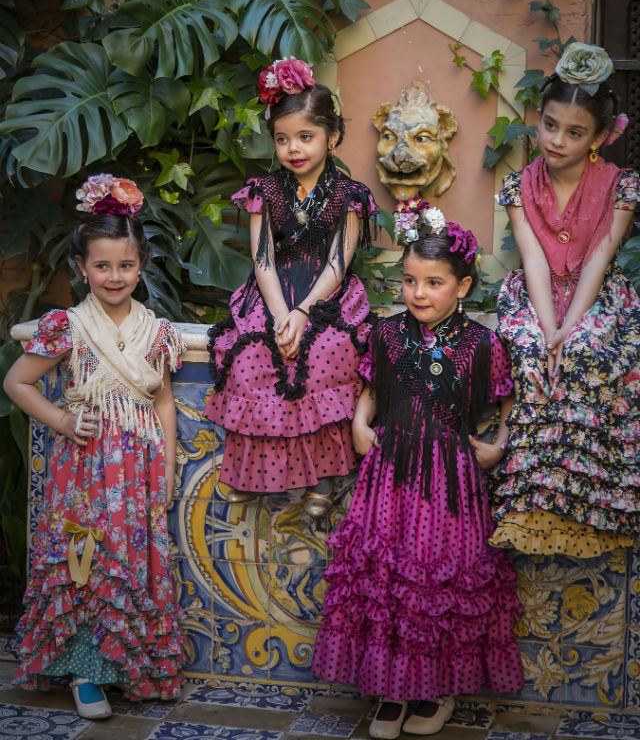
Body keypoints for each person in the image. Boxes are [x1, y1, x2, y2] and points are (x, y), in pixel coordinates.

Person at [312, 199, 524, 739]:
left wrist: (497, 444)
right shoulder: (385, 334)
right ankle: (390, 690)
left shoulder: (482, 344)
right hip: (390, 475)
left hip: (450, 481)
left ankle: (435, 690)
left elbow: (507, 400)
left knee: (435, 579)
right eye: (409, 281)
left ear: (463, 286)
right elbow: (371, 387)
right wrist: (361, 422)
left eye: (433, 283)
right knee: (389, 580)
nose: (418, 293)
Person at [4, 174, 187, 719]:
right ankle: (86, 673)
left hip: (139, 469)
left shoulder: (156, 331)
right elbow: (16, 382)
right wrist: (62, 419)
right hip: (83, 471)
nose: (114, 276)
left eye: (125, 265)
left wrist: (168, 465)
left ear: (141, 265)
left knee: (132, 562)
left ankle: (130, 666)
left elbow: (163, 401)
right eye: (102, 266)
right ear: (82, 267)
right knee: (87, 561)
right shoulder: (68, 326)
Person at [204, 57, 377, 517]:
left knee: (326, 357)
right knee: (253, 360)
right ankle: (252, 475)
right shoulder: (264, 191)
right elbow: (262, 260)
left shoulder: (349, 195)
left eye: (305, 137)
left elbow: (338, 263)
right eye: (282, 139)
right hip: (272, 294)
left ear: (332, 137)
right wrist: (281, 313)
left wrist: (303, 314)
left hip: (327, 296)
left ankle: (322, 480)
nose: (293, 148)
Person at [489, 41, 640, 559]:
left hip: (596, 296)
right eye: (550, 125)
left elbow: (598, 259)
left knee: (582, 351)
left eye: (575, 133)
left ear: (600, 137)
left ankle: (590, 506)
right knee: (531, 352)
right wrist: (547, 327)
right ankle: (530, 505)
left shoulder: (621, 186)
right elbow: (533, 258)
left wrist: (568, 329)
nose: (556, 140)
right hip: (537, 293)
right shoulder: (519, 186)